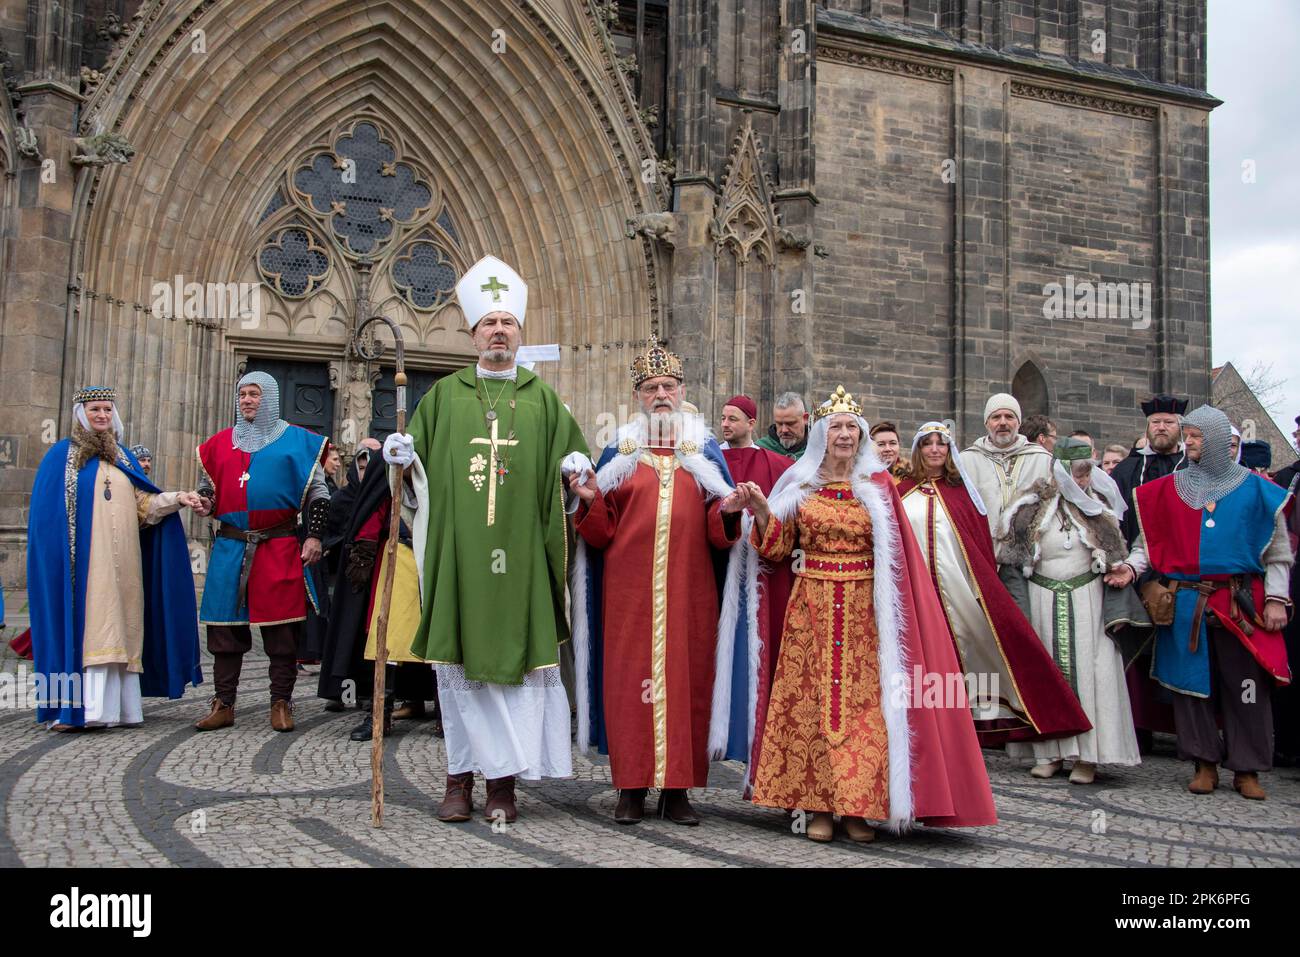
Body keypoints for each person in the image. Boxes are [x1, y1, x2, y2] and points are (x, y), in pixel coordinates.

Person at [383, 255, 591, 824]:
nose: (499, 331)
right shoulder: (444, 397)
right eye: (488, 324)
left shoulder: (545, 401)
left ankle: (502, 786)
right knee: (459, 676)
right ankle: (458, 780)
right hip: (460, 559)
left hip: (520, 564)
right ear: (473, 333)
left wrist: (575, 474)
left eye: (508, 323)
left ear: (521, 334)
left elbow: (575, 480)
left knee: (514, 681)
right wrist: (399, 459)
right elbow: (412, 471)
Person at [738, 387, 997, 844]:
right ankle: (817, 806)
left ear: (860, 436)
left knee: (864, 710)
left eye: (851, 428)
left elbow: (899, 558)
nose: (843, 434)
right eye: (835, 427)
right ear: (821, 434)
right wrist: (761, 511)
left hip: (865, 612)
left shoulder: (879, 487)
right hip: (811, 610)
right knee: (813, 706)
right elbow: (778, 548)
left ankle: (858, 808)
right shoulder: (801, 484)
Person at [572, 337, 757, 826]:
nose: (661, 395)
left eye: (669, 386)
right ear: (638, 396)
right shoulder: (621, 450)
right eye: (651, 387)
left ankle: (677, 791)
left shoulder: (704, 450)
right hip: (628, 594)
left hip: (689, 593)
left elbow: (721, 533)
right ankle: (630, 788)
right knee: (630, 683)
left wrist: (731, 511)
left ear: (681, 392)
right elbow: (602, 529)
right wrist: (590, 499)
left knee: (686, 684)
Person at [1107, 406, 1294, 799]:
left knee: (1246, 687)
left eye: (1194, 436)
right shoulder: (1172, 490)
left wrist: (1277, 599)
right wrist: (1130, 568)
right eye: (1187, 435)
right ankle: (1203, 762)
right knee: (1190, 688)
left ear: (1217, 442)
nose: (1186, 442)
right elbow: (1148, 545)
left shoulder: (1258, 490)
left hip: (1239, 602)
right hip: (1188, 601)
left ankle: (1247, 768)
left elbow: (1277, 553)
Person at [898, 422, 1090, 746]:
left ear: (949, 450)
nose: (934, 449)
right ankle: (921, 726)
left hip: (957, 591)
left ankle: (960, 728)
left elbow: (978, 548)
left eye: (941, 443)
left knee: (966, 651)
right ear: (918, 449)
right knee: (919, 658)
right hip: (913, 593)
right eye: (928, 443)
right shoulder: (901, 491)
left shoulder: (963, 495)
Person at [27, 386, 202, 729]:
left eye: (107, 409)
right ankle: (84, 711)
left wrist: (177, 498)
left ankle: (121, 711)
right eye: (95, 410)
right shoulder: (62, 457)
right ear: (81, 413)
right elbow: (47, 520)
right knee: (92, 629)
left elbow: (145, 505)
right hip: (86, 566)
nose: (102, 415)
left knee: (122, 628)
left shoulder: (123, 458)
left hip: (126, 565)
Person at [192, 372, 331, 733]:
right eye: (242, 394)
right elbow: (208, 489)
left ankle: (281, 702)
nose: (247, 400)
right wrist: (204, 503)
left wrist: (314, 537)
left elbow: (319, 493)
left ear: (268, 398)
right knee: (224, 629)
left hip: (279, 544)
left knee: (282, 632)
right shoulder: (218, 445)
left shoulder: (298, 442)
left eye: (254, 394)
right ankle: (224, 703)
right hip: (230, 545)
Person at [1002, 438, 1143, 783]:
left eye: (1085, 475)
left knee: (1093, 677)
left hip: (1088, 602)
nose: (1080, 482)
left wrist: (1119, 570)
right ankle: (1050, 753)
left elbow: (1117, 557)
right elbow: (1012, 559)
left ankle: (1088, 756)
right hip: (1042, 599)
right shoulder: (1030, 508)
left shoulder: (1099, 510)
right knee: (1048, 677)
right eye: (1074, 475)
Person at [1109, 394, 1188, 746]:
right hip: (1133, 571)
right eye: (1156, 422)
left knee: (1181, 653)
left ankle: (1184, 732)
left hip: (1182, 576)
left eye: (1168, 422)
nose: (1161, 427)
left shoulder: (1191, 469)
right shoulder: (1127, 470)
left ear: (1179, 428)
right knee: (1133, 654)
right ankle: (1138, 729)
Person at [962, 394, 1054, 604]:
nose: (1002, 422)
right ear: (987, 423)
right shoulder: (967, 460)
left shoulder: (1042, 459)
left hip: (1029, 560)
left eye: (1009, 416)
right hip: (983, 558)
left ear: (1018, 423)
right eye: (996, 417)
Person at [756, 391, 809, 459]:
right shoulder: (759, 450)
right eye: (779, 424)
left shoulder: (819, 451)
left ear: (805, 418)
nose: (784, 430)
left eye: (790, 423)